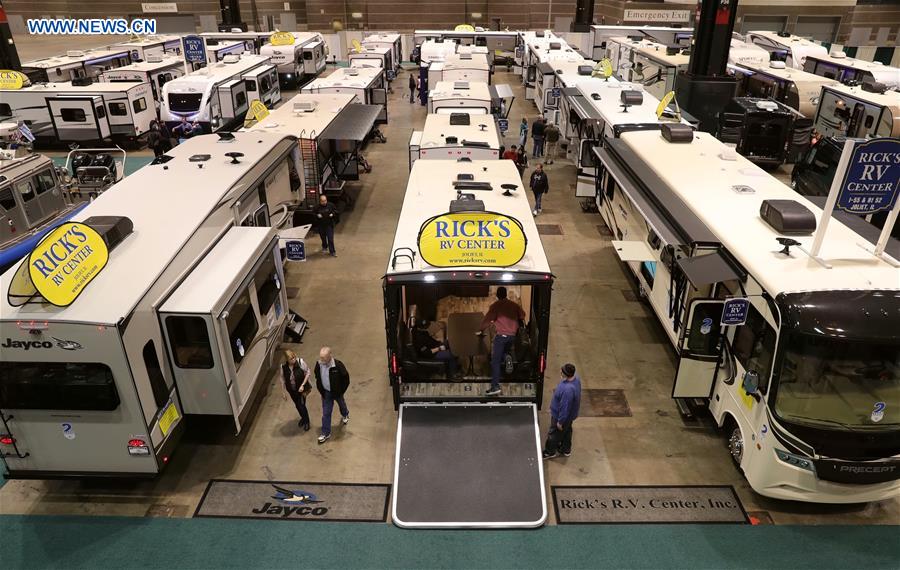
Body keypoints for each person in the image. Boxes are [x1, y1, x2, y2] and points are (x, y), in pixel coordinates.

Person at [480, 287, 525, 396]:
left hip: (501, 337)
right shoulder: (514, 305)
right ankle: (507, 357)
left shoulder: (495, 306)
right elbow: (523, 315)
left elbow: (487, 320)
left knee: (495, 361)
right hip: (512, 336)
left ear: (497, 295)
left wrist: (480, 329)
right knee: (505, 351)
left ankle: (495, 387)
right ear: (506, 294)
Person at [543, 363, 582, 459]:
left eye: (562, 371)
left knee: (554, 434)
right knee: (567, 431)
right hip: (570, 416)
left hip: (561, 417)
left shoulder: (567, 390)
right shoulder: (576, 379)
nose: (560, 372)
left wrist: (560, 422)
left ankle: (550, 452)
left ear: (566, 374)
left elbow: (565, 408)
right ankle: (565, 449)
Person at [314, 347, 350, 444]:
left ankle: (345, 414)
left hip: (337, 393)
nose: (321, 360)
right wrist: (321, 390)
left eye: (324, 358)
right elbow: (317, 376)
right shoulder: (319, 364)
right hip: (326, 393)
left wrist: (341, 391)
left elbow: (346, 378)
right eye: (321, 357)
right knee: (326, 413)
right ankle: (325, 433)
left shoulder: (338, 365)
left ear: (330, 356)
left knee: (341, 404)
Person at [281, 350, 311, 431]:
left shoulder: (301, 362)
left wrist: (303, 385)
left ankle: (307, 421)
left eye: (294, 357)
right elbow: (282, 379)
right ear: (287, 359)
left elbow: (308, 372)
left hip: (301, 390)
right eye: (291, 359)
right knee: (297, 405)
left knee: (301, 405)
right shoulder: (283, 367)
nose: (293, 360)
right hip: (292, 390)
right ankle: (303, 418)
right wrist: (283, 392)